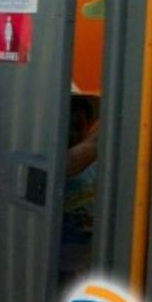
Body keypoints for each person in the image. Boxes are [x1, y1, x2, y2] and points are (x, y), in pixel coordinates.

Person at [61, 94, 99, 285]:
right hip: (58, 259)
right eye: (67, 126)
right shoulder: (59, 163)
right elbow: (90, 147)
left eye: (78, 126)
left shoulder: (94, 165)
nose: (72, 133)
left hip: (86, 257)